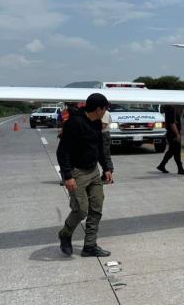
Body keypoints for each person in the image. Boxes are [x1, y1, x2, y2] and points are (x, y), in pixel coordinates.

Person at [57, 93, 114, 257]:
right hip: (77, 173)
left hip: (93, 171)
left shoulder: (97, 123)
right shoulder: (74, 123)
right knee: (81, 210)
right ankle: (65, 234)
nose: (106, 111)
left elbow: (101, 148)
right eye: (105, 108)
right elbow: (62, 151)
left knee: (96, 207)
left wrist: (107, 168)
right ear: (98, 109)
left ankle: (90, 246)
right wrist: (68, 176)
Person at [156, 105, 184, 175]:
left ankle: (162, 165)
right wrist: (177, 134)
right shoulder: (171, 109)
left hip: (171, 133)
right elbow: (172, 123)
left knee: (172, 151)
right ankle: (180, 169)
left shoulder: (168, 108)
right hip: (173, 134)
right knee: (176, 151)